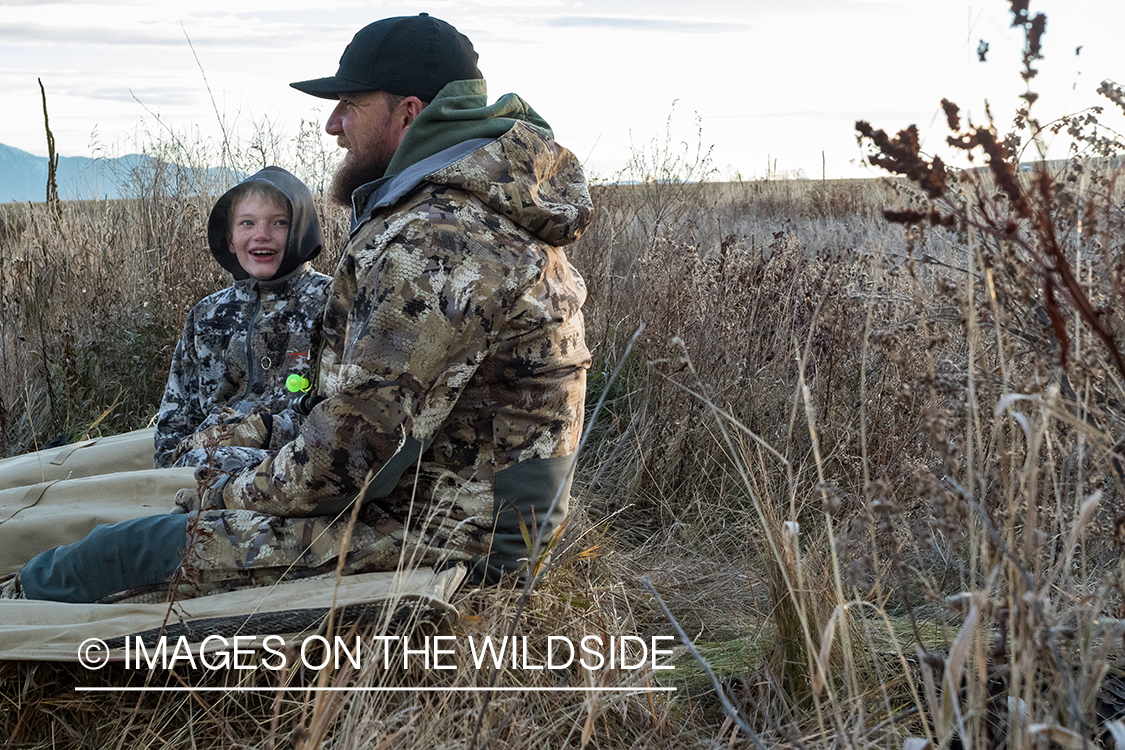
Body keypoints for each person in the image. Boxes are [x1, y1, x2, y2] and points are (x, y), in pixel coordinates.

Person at [3, 13, 592, 603]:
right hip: (455, 501)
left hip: (457, 537)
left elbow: (349, 457)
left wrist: (228, 491)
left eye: (349, 105)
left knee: (125, 552)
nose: (333, 125)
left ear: (408, 113)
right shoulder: (475, 212)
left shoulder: (437, 240)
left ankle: (18, 603)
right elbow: (362, 413)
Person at [153, 166, 332, 470]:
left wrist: (253, 432)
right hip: (197, 471)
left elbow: (339, 418)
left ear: (303, 231)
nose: (261, 235)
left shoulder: (332, 303)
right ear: (230, 238)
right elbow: (175, 421)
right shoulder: (206, 316)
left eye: (280, 223)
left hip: (290, 472)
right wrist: (166, 476)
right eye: (247, 223)